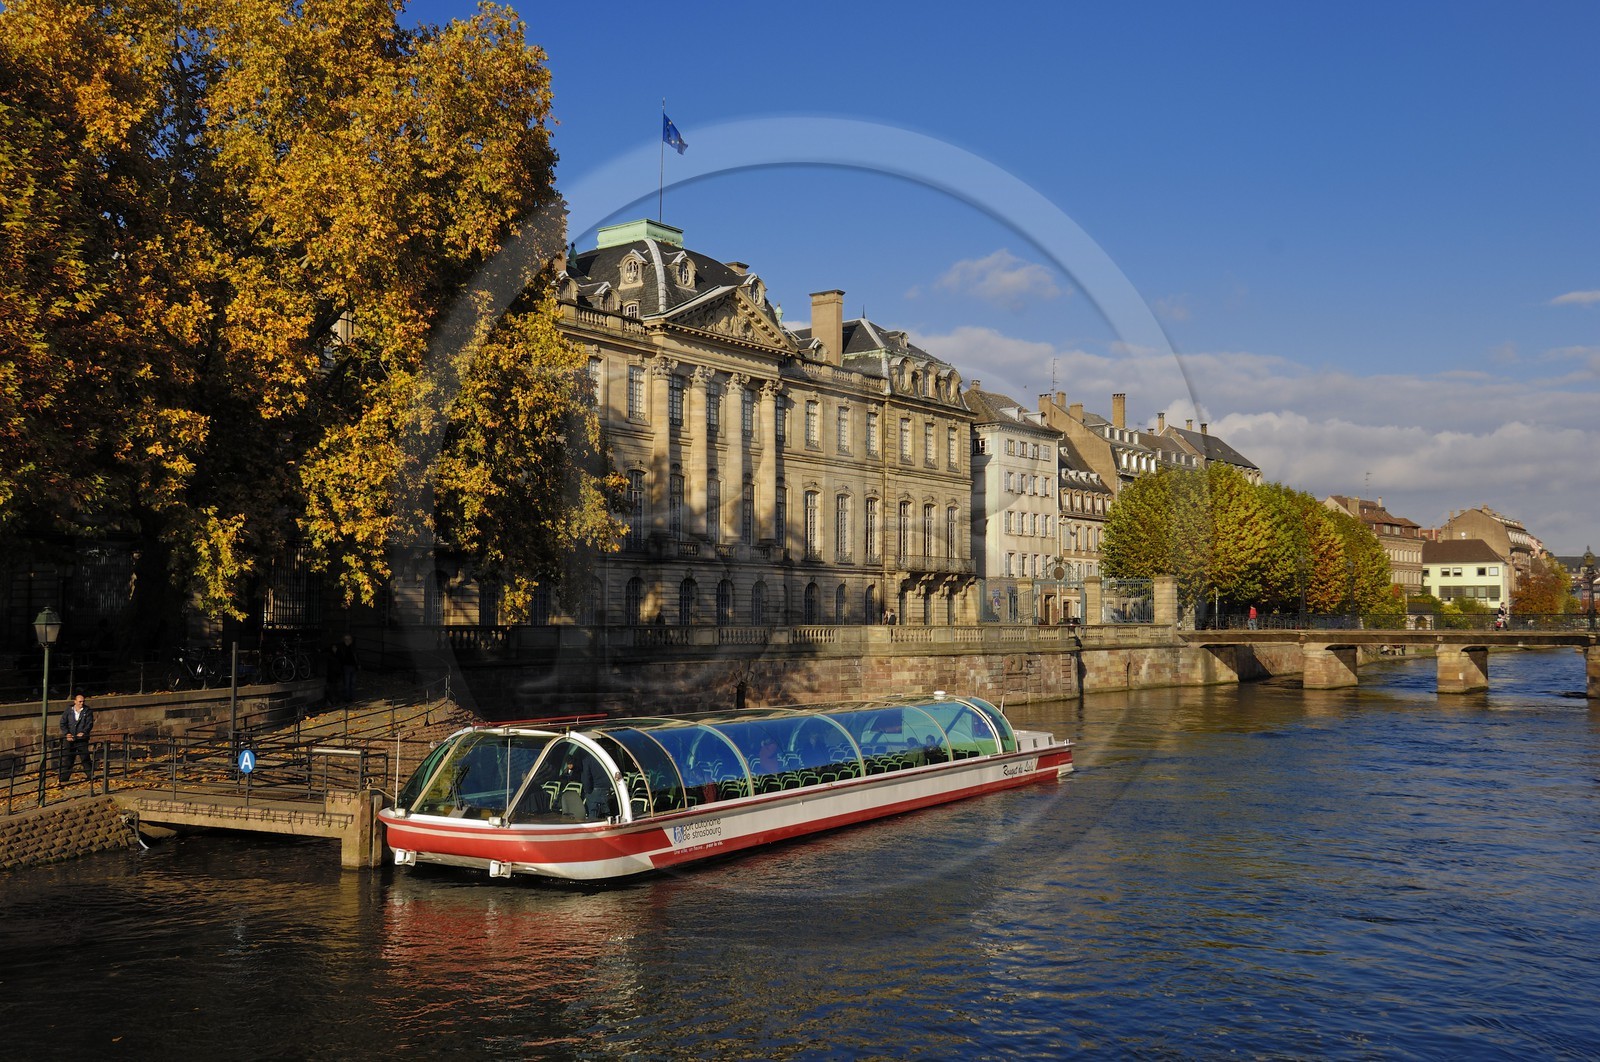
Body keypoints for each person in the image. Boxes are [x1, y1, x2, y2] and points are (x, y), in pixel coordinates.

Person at [58, 693, 95, 784]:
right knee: (68, 759)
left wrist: (84, 732)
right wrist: (67, 734)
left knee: (85, 757)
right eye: (79, 701)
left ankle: (91, 775)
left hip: (81, 739)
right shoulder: (68, 711)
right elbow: (63, 723)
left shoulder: (87, 711)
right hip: (70, 739)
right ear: (75, 702)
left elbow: (89, 724)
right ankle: (63, 778)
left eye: (83, 701)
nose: (81, 703)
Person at [334, 634, 359, 702]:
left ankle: (352, 697)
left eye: (349, 639)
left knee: (352, 683)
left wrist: (358, 665)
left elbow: (356, 656)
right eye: (346, 639)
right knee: (347, 684)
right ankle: (347, 698)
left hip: (353, 667)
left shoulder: (353, 647)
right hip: (346, 667)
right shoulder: (341, 648)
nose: (348, 641)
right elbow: (338, 657)